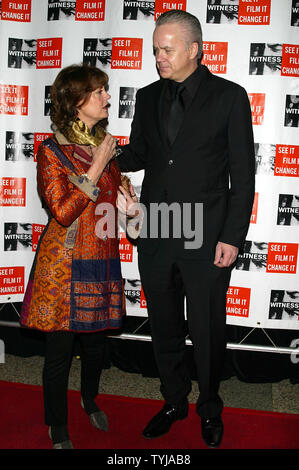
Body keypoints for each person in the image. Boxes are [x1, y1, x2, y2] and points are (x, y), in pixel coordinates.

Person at [117, 10, 255, 448]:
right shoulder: (147, 95)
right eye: (155, 48)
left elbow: (243, 173)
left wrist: (232, 235)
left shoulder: (230, 96)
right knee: (164, 325)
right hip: (157, 231)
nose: (158, 56)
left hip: (208, 236)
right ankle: (174, 399)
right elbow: (139, 153)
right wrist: (92, 155)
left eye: (167, 49)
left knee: (208, 327)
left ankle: (210, 407)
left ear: (195, 50)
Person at [20, 64, 135, 449]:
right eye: (98, 92)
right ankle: (58, 425)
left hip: (101, 256)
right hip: (65, 264)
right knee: (60, 352)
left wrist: (130, 207)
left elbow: (115, 212)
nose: (107, 97)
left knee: (96, 345)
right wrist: (100, 164)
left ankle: (89, 399)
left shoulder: (105, 144)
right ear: (75, 101)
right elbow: (63, 211)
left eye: (106, 89)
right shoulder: (52, 151)